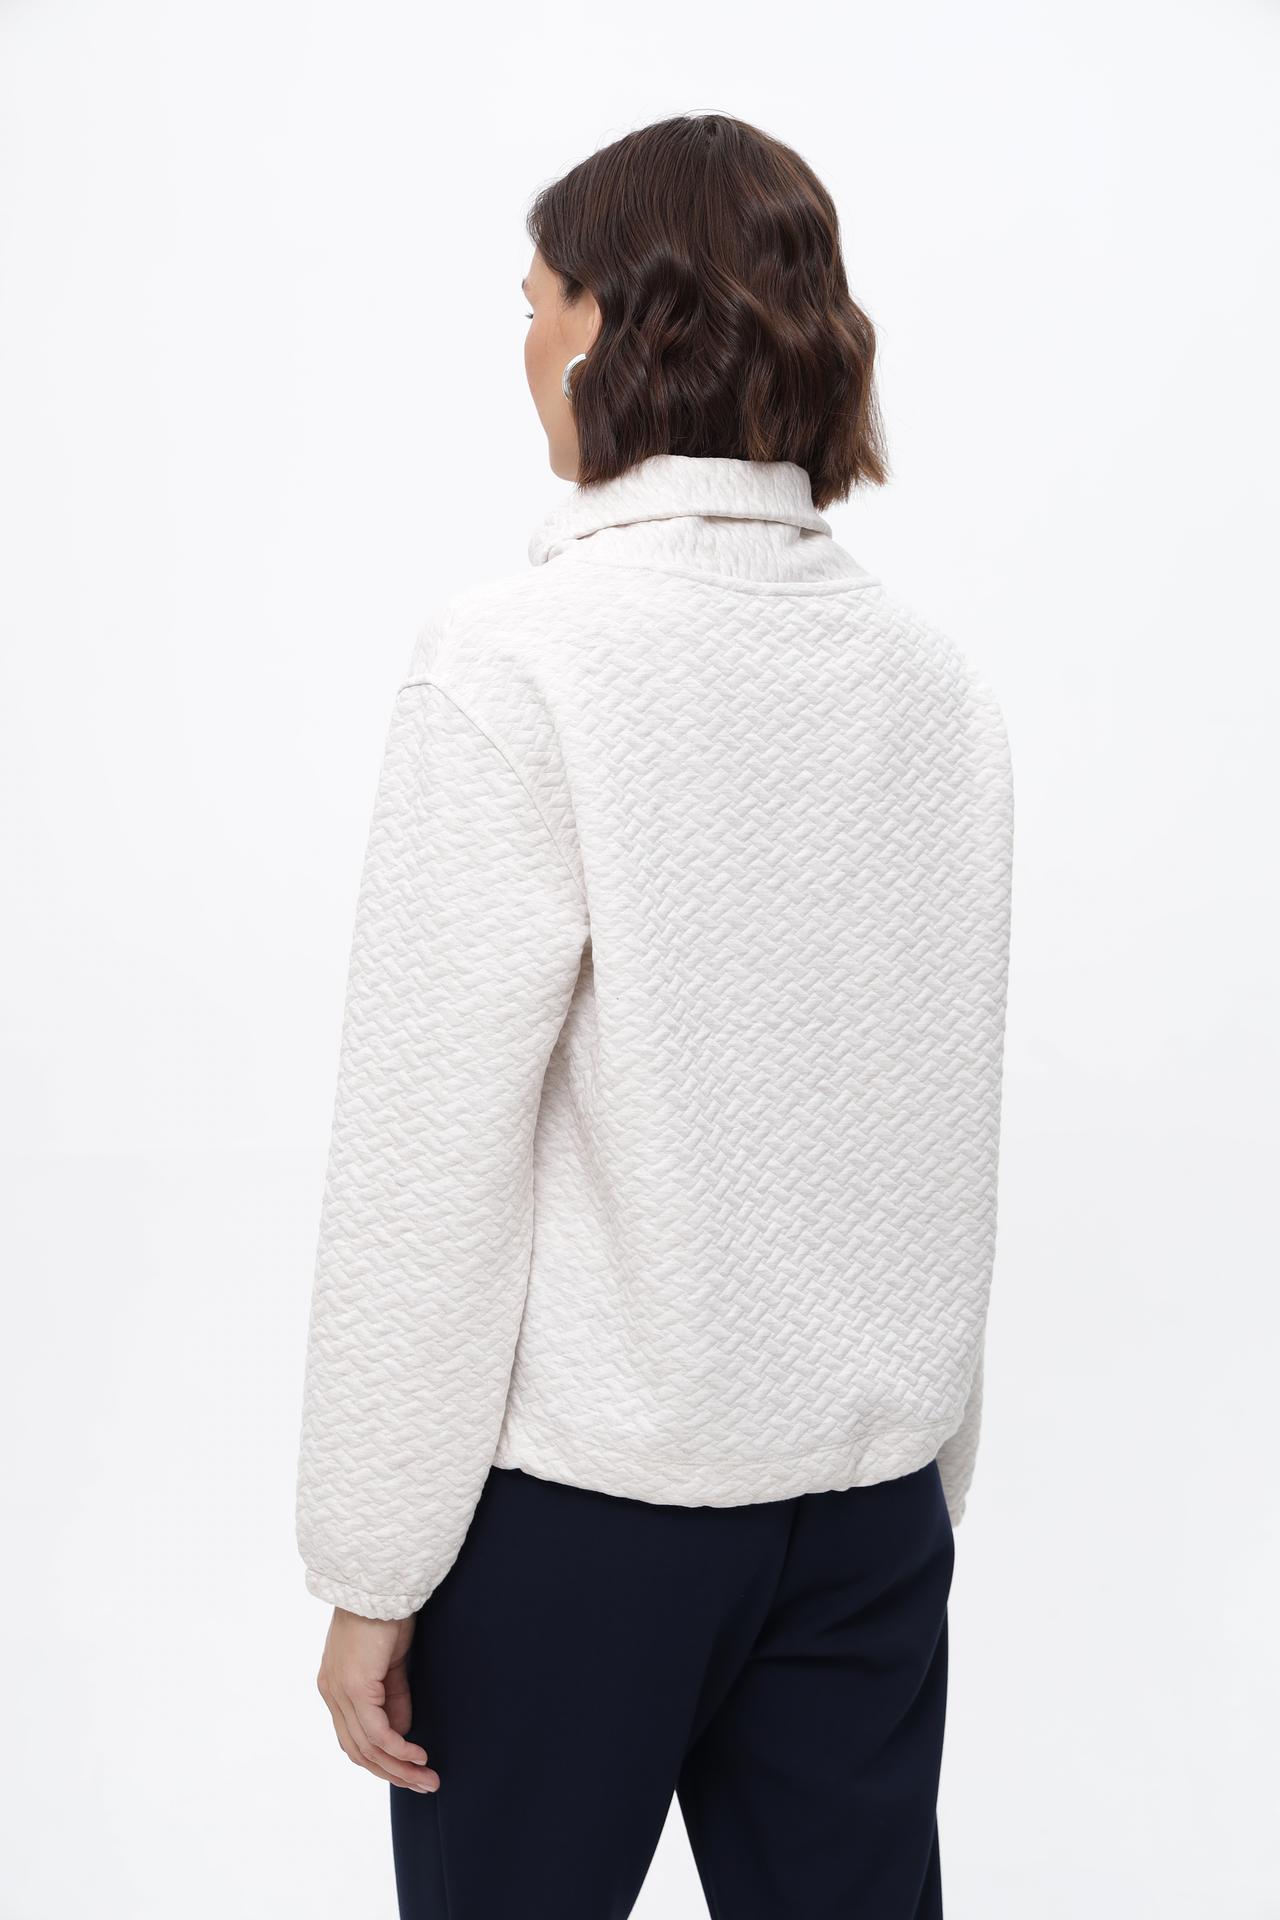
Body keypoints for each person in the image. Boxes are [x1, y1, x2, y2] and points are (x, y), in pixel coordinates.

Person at [295, 110, 1014, 1919]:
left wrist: (373, 1562)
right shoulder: (933, 687)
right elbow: (939, 1104)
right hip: (862, 1515)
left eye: (538, 298)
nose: (525, 338)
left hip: (583, 1517)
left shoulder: (518, 664)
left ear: (618, 324)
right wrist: (921, 1464)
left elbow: (429, 1153)